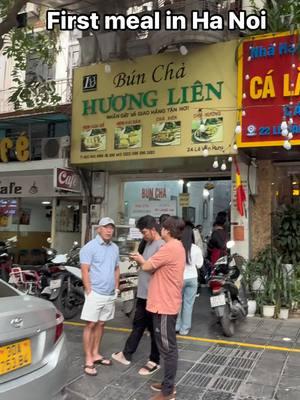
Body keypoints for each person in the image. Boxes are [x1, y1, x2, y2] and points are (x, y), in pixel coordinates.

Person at [130, 216, 185, 400]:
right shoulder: (176, 246)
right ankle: (167, 384)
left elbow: (147, 265)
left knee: (168, 349)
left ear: (167, 230)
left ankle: (168, 392)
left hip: (164, 305)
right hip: (166, 303)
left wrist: (139, 257)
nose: (160, 229)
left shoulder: (169, 247)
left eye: (163, 227)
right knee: (167, 346)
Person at [112, 215, 164, 375]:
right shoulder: (148, 243)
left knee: (155, 330)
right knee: (138, 325)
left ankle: (154, 361)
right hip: (143, 293)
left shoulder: (161, 245)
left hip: (154, 295)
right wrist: (137, 260)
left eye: (144, 232)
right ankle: (126, 354)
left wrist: (141, 261)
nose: (143, 235)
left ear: (153, 229)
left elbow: (156, 268)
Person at [80, 217, 120, 376]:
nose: (109, 230)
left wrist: (116, 288)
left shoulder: (115, 248)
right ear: (99, 229)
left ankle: (96, 353)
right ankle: (88, 357)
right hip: (95, 292)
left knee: (102, 323)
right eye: (106, 227)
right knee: (91, 324)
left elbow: (116, 269)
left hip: (110, 293)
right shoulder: (89, 248)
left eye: (111, 228)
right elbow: (84, 271)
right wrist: (89, 291)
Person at [176, 222, 203, 335]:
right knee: (188, 304)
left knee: (177, 303)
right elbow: (200, 265)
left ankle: (176, 326)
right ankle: (185, 329)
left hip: (179, 278)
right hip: (192, 279)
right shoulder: (196, 248)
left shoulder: (176, 247)